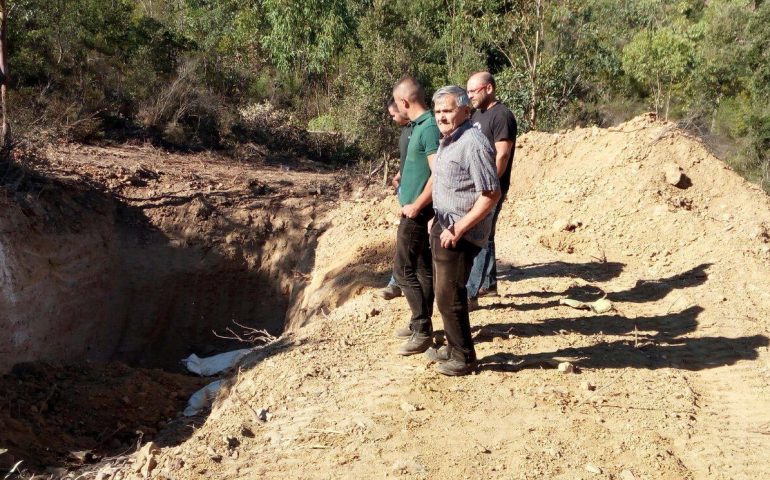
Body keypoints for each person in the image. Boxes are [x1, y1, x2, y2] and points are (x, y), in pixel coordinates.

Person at [426, 85, 500, 375]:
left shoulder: (473, 142)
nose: (442, 116)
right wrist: (437, 216)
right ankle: (452, 346)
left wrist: (459, 227)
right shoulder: (449, 140)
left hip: (461, 232)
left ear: (466, 110)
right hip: (443, 224)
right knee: (442, 293)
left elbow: (490, 194)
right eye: (438, 111)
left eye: (448, 110)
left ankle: (464, 357)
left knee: (450, 295)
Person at [391, 75, 440, 354]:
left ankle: (422, 330)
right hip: (412, 208)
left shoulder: (429, 127)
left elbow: (438, 172)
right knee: (421, 267)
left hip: (417, 212)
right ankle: (419, 322)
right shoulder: (419, 126)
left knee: (402, 269)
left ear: (404, 101)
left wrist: (417, 205)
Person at [464, 72, 517, 310]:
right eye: (468, 91)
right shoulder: (476, 114)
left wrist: (490, 186)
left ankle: (470, 293)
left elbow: (502, 154)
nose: (470, 96)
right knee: (487, 235)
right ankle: (489, 284)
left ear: (489, 88)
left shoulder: (501, 115)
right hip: (477, 186)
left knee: (479, 237)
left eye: (473, 91)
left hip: (490, 188)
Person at [378, 98, 413, 301]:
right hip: (407, 193)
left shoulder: (422, 129)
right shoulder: (408, 130)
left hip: (418, 199)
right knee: (406, 240)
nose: (392, 119)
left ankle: (396, 282)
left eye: (393, 114)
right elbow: (410, 158)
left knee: (406, 240)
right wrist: (400, 174)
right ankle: (397, 281)